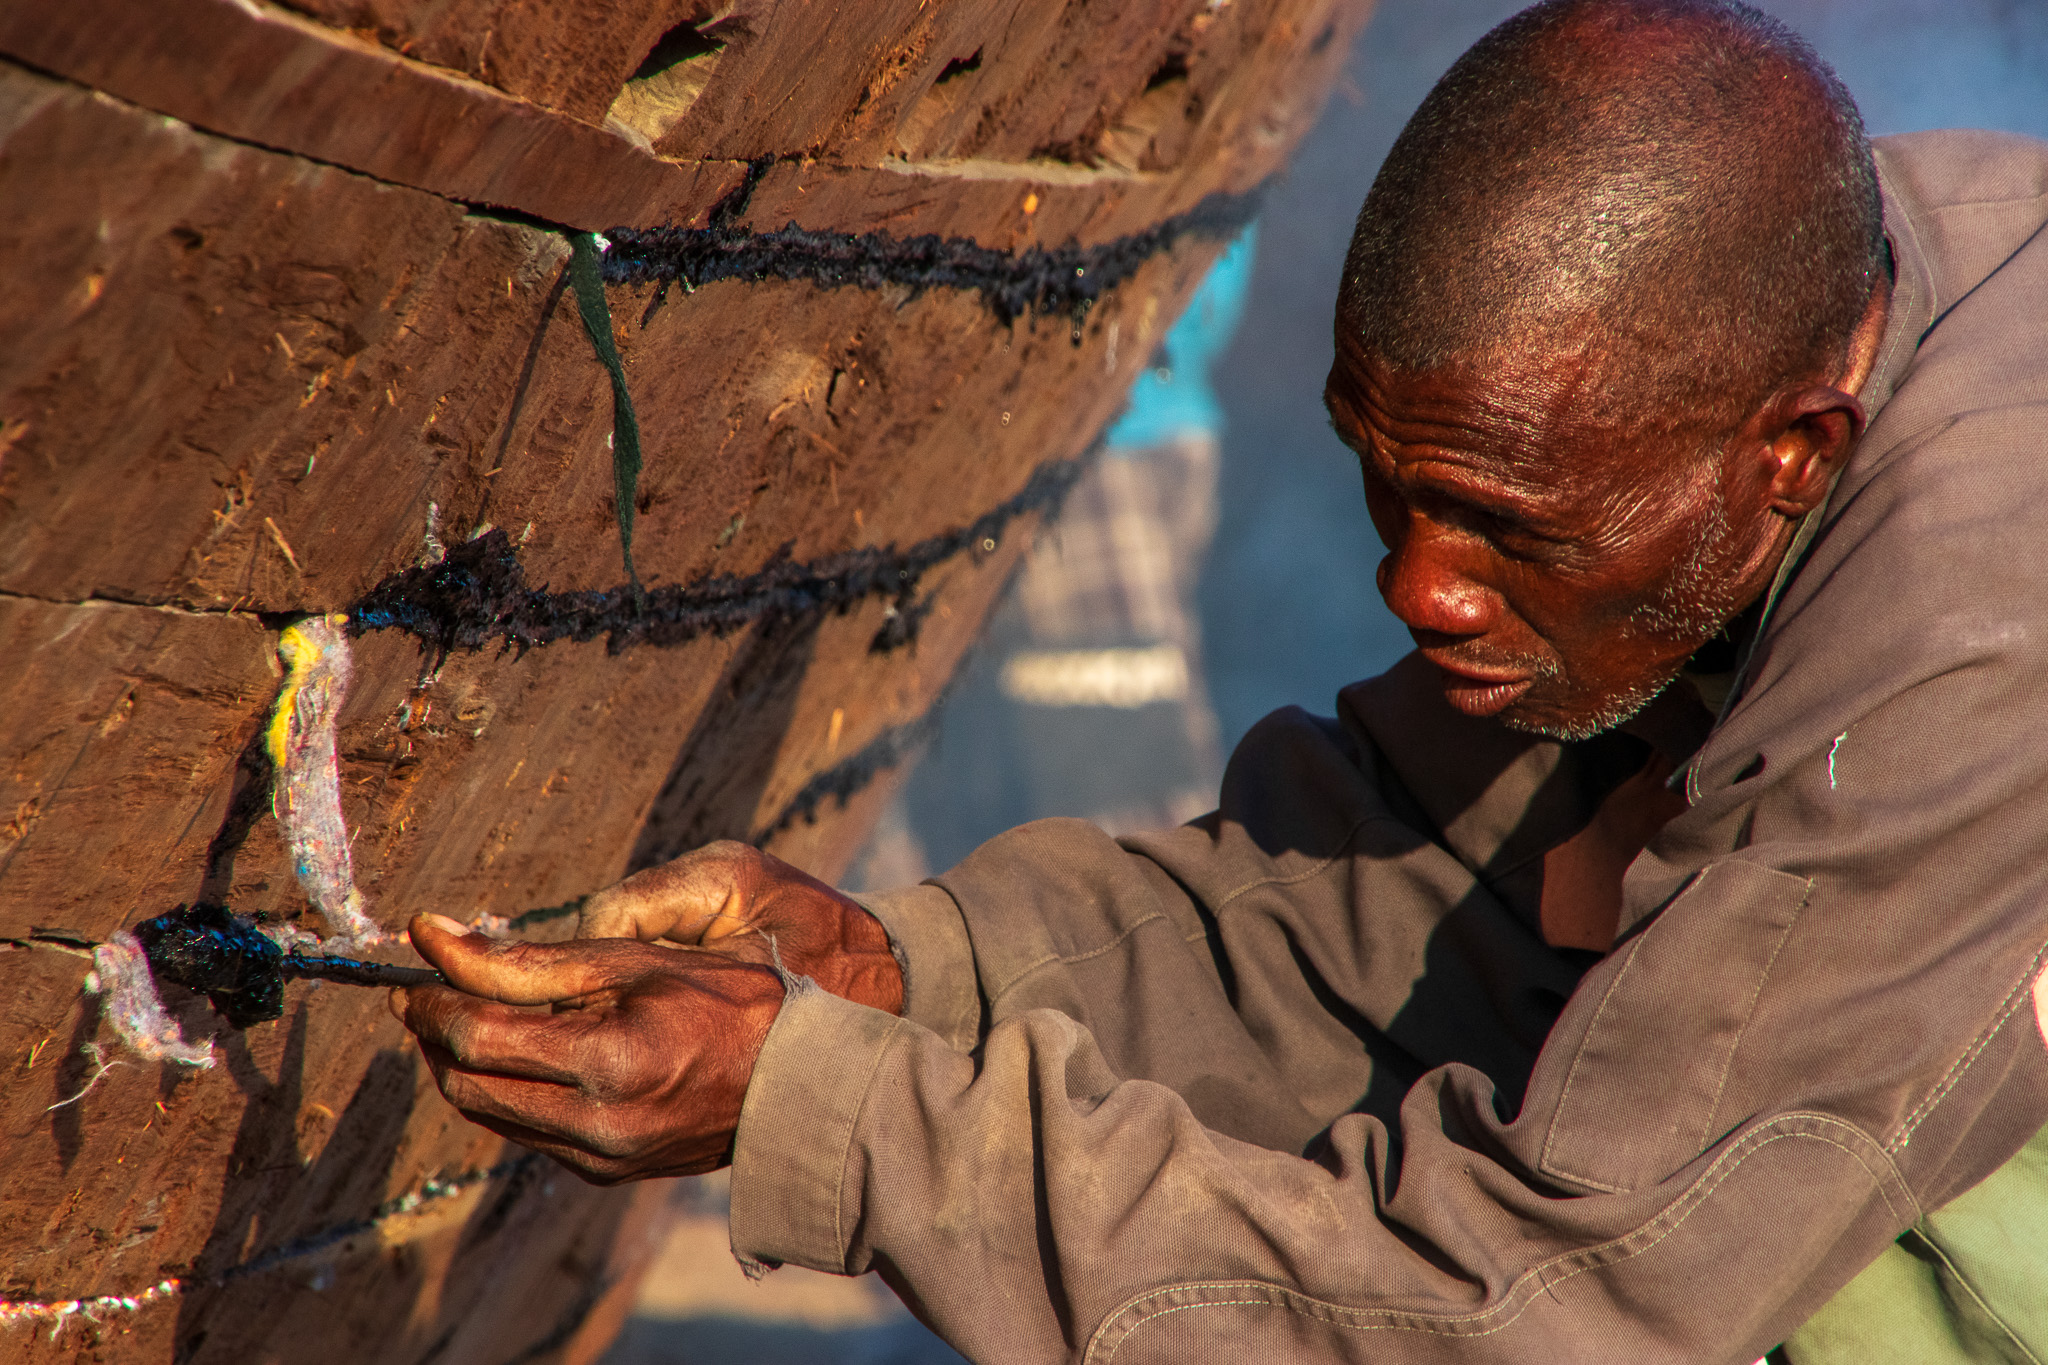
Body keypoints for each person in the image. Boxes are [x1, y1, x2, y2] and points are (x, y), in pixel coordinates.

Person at [391, 1, 2048, 1359]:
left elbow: (1548, 1304)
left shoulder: (1976, 624)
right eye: (1382, 481)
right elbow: (1372, 896)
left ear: (1790, 455)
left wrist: (832, 1111)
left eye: (1499, 524)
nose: (1413, 585)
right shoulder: (1804, 298)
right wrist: (896, 973)